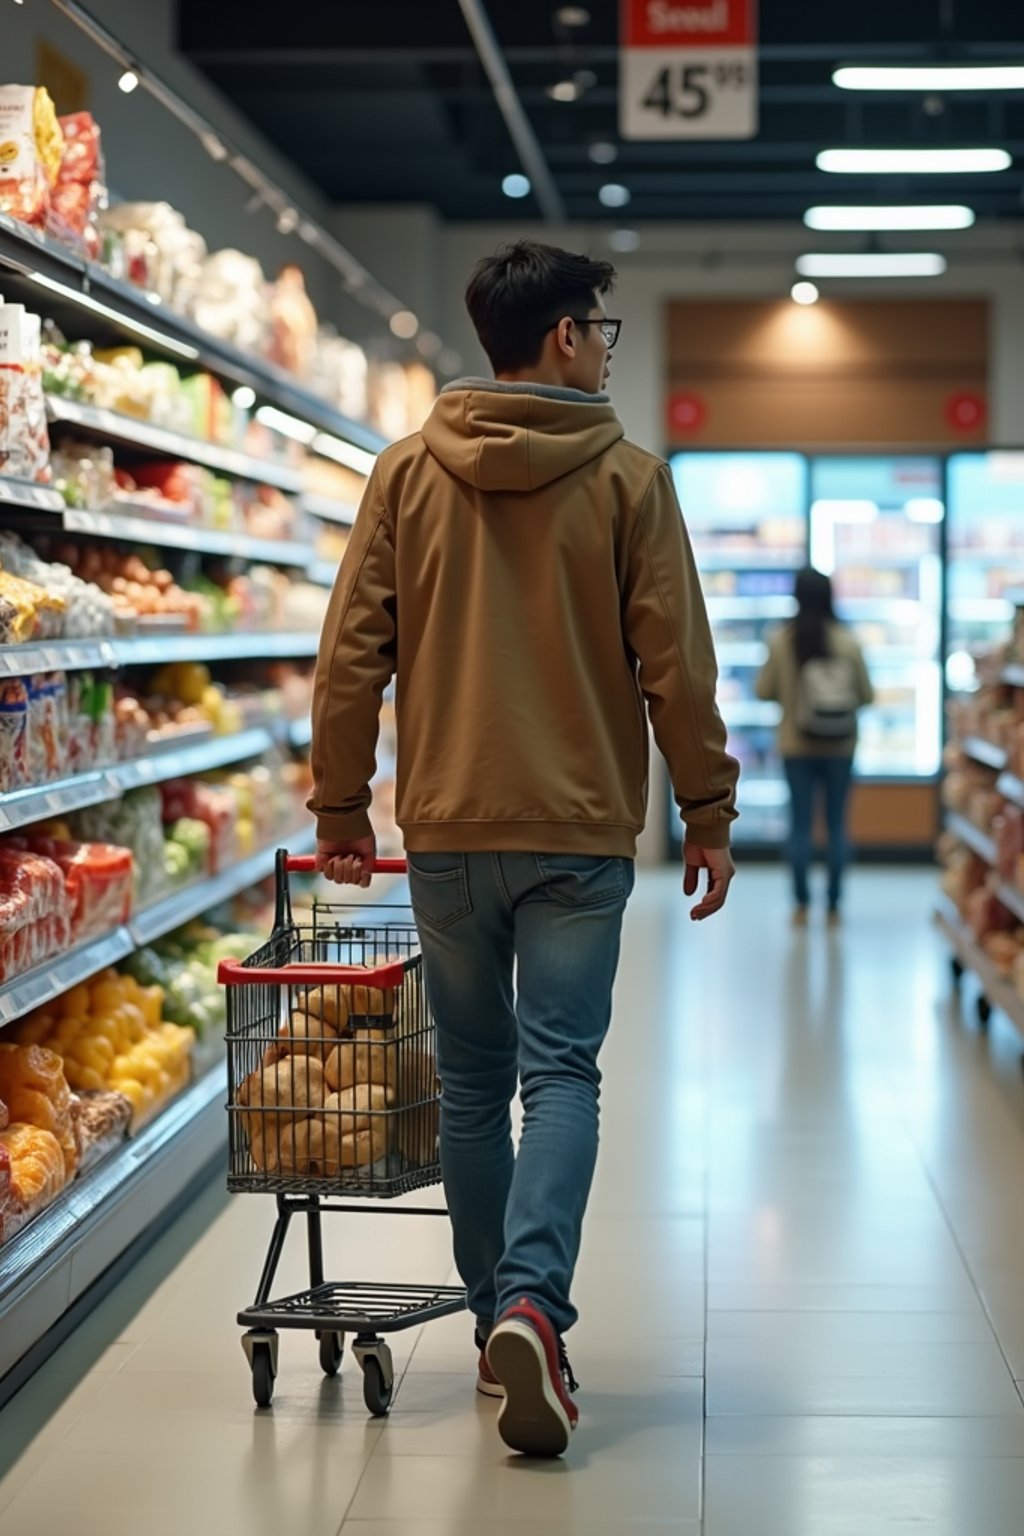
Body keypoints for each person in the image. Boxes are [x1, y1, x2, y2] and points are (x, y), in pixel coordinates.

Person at [307, 239, 739, 1457]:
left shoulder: (404, 473)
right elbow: (678, 668)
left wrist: (342, 806)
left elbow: (352, 654)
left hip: (446, 825)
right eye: (603, 327)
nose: (608, 345)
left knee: (475, 1084)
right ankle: (535, 1310)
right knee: (561, 1076)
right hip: (577, 833)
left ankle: (505, 1319)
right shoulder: (629, 481)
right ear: (562, 337)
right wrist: (706, 810)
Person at [756, 567, 874, 927]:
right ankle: (835, 905)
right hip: (840, 746)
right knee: (837, 826)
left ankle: (801, 905)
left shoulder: (781, 640)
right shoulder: (848, 641)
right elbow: (866, 696)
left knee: (801, 826)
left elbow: (764, 690)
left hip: (796, 745)